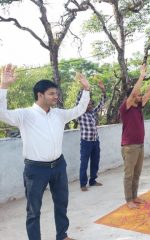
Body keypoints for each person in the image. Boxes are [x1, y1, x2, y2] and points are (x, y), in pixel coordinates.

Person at [0, 64, 90, 240]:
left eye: (56, 93)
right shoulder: (24, 115)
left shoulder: (59, 114)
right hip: (35, 170)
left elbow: (79, 110)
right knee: (33, 210)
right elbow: (1, 113)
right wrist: (4, 86)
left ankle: (62, 236)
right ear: (39, 95)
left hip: (58, 165)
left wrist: (86, 90)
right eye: (51, 93)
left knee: (61, 204)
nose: (56, 96)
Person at [119, 64, 150, 209]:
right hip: (129, 146)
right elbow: (135, 92)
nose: (141, 96)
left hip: (139, 145)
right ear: (132, 96)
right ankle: (129, 199)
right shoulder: (125, 107)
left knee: (137, 173)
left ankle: (135, 197)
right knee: (129, 174)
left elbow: (149, 92)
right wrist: (142, 76)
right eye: (138, 94)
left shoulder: (139, 106)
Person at [76, 80, 106, 191]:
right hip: (86, 142)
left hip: (95, 141)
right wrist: (84, 88)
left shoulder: (93, 112)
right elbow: (79, 101)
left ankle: (93, 180)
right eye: (87, 104)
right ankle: (83, 184)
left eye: (90, 104)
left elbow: (102, 103)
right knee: (84, 163)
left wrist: (103, 90)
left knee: (95, 161)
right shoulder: (80, 114)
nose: (89, 105)